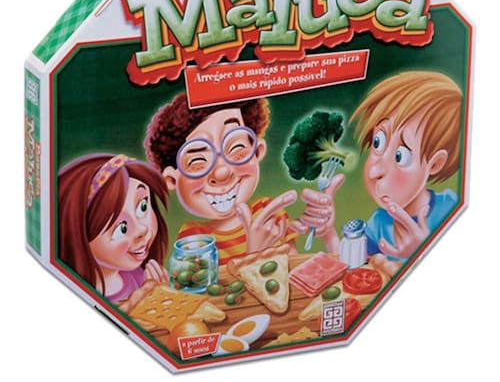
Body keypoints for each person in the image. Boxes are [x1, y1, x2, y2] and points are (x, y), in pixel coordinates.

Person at [146, 94, 335, 263]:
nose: (222, 172)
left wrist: (328, 233)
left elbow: (293, 275)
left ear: (257, 151)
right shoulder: (194, 238)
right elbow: (206, 290)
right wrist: (255, 253)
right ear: (172, 180)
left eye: (236, 148)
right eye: (198, 161)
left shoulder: (268, 212)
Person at [343, 71, 462, 261]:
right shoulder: (379, 222)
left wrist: (423, 250)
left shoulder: (451, 209)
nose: (374, 171)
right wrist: (328, 232)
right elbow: (352, 268)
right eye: (378, 143)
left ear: (435, 164)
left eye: (400, 156)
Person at [58, 153, 169, 302]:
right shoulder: (76, 294)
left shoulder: (140, 276)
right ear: (78, 237)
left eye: (142, 207)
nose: (141, 230)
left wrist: (161, 296)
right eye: (121, 228)